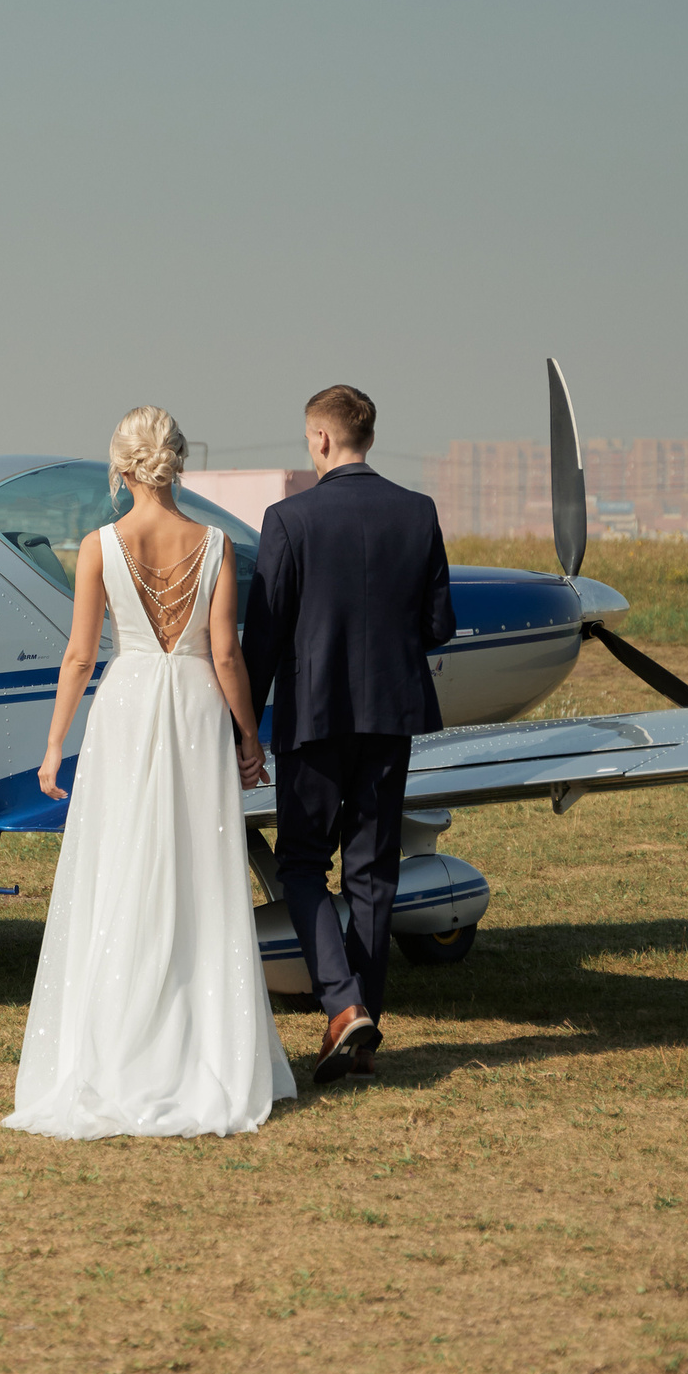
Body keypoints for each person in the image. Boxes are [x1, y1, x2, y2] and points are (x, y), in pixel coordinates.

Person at [1, 407, 296, 1139]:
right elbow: (226, 653)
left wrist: (52, 742)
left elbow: (78, 655)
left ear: (122, 468)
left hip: (127, 707)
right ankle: (204, 1048)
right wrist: (249, 737)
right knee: (201, 869)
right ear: (177, 463)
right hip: (197, 709)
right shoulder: (218, 543)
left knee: (124, 867)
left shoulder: (99, 545)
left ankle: (114, 1046)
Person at [239, 385, 455, 1085]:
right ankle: (359, 1036)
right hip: (392, 714)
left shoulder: (289, 519)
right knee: (373, 872)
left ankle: (343, 1004)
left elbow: (263, 640)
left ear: (323, 439)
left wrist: (242, 727)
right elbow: (438, 626)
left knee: (301, 864)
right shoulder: (418, 513)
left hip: (316, 717)